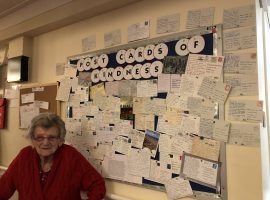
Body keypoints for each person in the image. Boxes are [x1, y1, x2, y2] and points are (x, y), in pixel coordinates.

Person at [0, 113, 106, 200]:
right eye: (40, 137)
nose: (45, 143)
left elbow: (97, 185)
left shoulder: (71, 156)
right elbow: (3, 188)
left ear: (60, 140)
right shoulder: (24, 156)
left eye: (52, 138)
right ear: (32, 139)